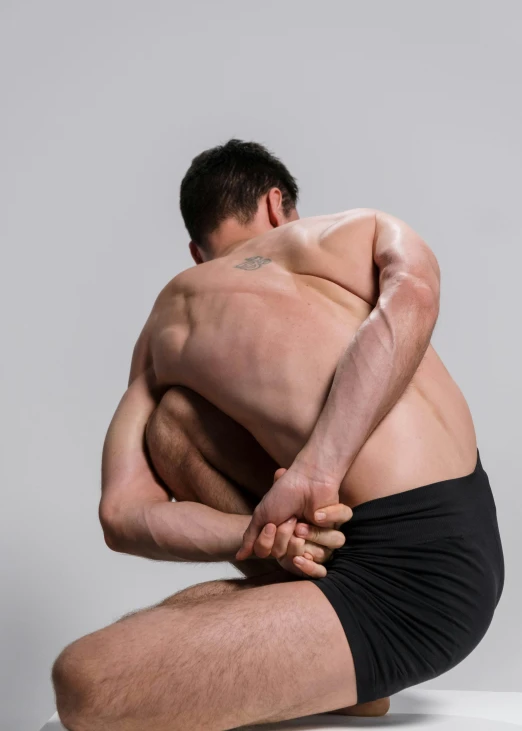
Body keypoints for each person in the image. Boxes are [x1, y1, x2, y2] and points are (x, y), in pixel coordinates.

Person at [52, 139, 504, 731]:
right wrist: (264, 532)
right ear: (277, 203)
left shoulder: (170, 315)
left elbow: (122, 513)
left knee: (84, 683)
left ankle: (344, 662)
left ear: (195, 249)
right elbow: (414, 298)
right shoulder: (360, 229)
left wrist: (311, 473)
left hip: (417, 584)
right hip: (438, 539)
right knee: (178, 421)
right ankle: (339, 681)